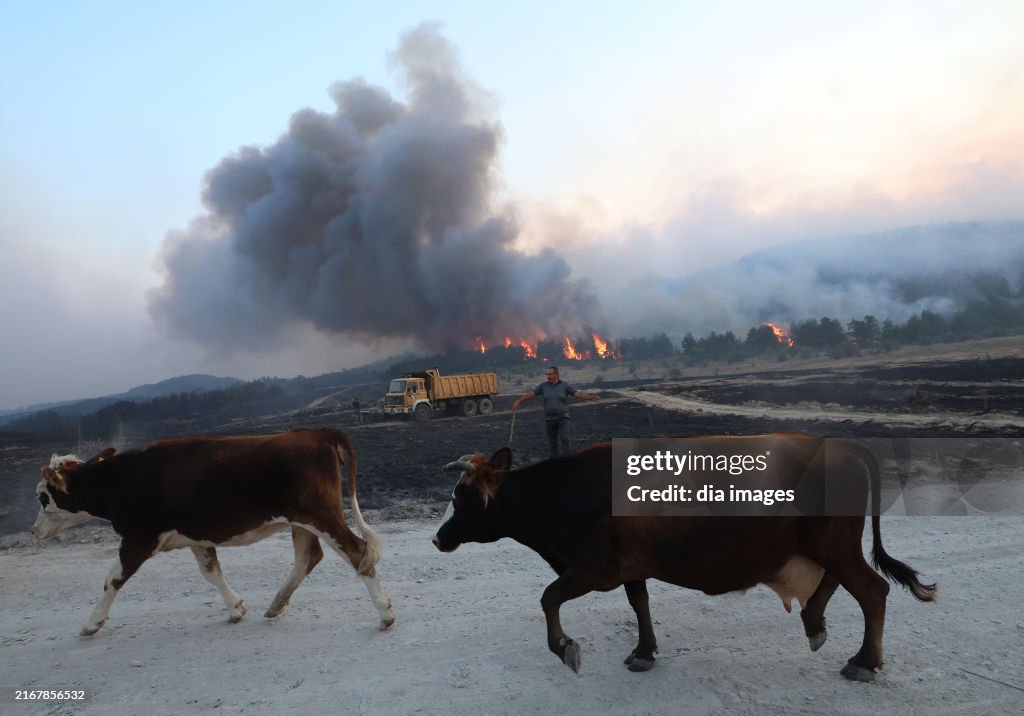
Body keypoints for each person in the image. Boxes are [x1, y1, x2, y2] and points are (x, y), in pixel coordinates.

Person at [512, 365, 599, 457]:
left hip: (562, 417)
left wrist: (589, 397)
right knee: (553, 443)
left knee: (564, 438)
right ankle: (556, 461)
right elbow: (531, 394)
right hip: (549, 419)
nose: (548, 376)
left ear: (556, 374)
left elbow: (577, 393)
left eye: (550, 374)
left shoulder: (565, 386)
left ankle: (567, 459)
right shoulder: (543, 386)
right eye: (547, 374)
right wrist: (519, 401)